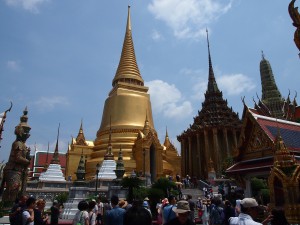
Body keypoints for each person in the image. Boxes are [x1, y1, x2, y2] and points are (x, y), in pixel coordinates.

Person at [1, 109, 31, 206]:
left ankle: (12, 207)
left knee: (18, 191)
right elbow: (17, 158)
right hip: (13, 169)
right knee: (13, 190)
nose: (27, 135)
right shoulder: (18, 143)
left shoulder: (22, 145)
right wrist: (27, 161)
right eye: (26, 133)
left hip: (18, 170)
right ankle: (7, 208)